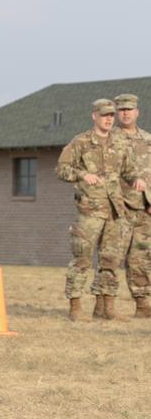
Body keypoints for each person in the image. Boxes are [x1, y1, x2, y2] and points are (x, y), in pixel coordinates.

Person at [56, 98, 146, 321]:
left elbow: (128, 170)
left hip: (115, 212)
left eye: (111, 116)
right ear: (94, 116)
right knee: (82, 260)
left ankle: (105, 307)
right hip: (90, 211)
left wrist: (137, 180)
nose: (108, 119)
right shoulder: (81, 142)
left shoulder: (119, 142)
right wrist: (81, 174)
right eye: (104, 115)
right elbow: (62, 169)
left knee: (110, 261)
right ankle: (75, 308)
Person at [113, 93, 151, 318]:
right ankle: (105, 306)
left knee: (141, 257)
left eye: (129, 109)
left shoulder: (148, 140)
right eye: (121, 110)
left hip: (144, 210)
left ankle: (143, 304)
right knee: (112, 257)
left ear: (137, 112)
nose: (125, 113)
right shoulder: (108, 139)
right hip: (118, 208)